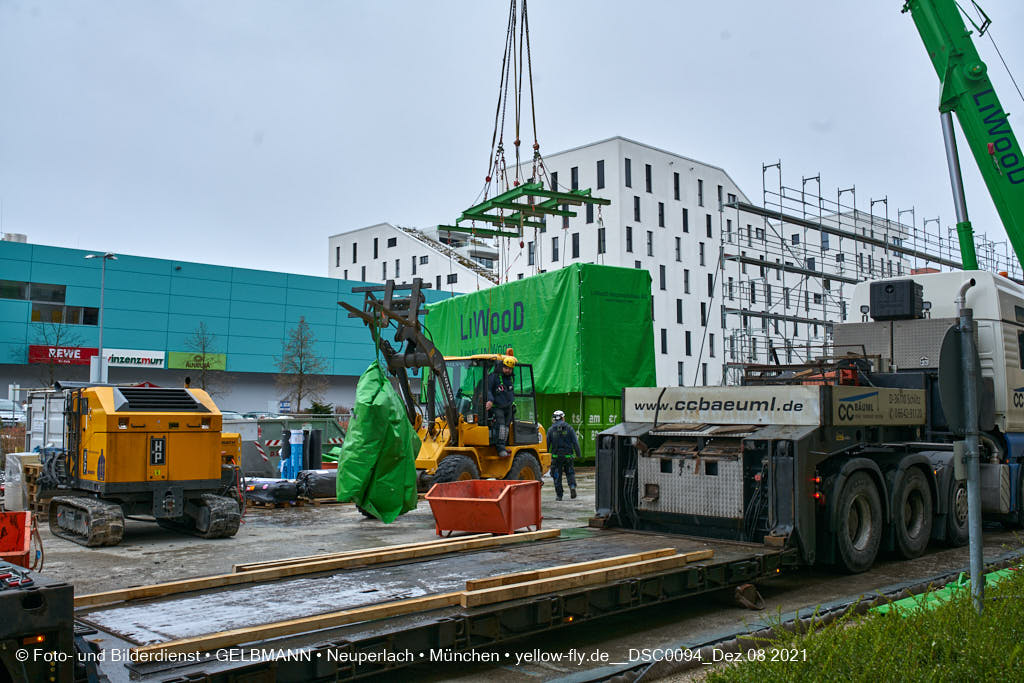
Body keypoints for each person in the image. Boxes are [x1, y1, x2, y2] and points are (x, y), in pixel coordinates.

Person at [485, 355, 516, 457]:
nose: (508, 371)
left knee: (506, 427)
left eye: (510, 369)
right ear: (502, 367)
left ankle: (504, 445)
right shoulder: (493, 377)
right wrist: (490, 400)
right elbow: (488, 390)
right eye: (506, 368)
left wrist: (513, 403)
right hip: (497, 407)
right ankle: (500, 448)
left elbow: (510, 393)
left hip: (508, 407)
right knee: (501, 426)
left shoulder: (509, 379)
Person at [547, 410, 580, 500]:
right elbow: (575, 442)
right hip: (568, 456)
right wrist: (578, 454)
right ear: (563, 418)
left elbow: (546, 445)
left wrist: (546, 457)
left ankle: (559, 495)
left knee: (557, 475)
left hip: (556, 457)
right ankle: (572, 486)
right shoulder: (569, 428)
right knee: (570, 473)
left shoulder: (550, 430)